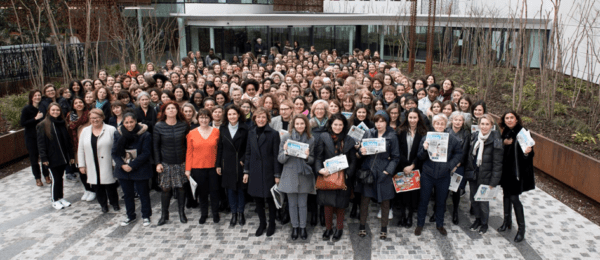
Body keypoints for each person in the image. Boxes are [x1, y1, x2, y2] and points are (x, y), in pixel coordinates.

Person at [414, 114, 463, 236]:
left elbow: (459, 154)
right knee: (423, 200)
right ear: (433, 124)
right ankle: (420, 224)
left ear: (446, 124)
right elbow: (420, 156)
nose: (440, 125)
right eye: (437, 123)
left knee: (441, 201)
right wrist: (424, 148)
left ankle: (440, 224)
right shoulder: (426, 137)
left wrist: (449, 165)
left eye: (442, 123)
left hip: (443, 175)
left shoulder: (452, 139)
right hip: (428, 174)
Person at [356, 111, 400, 240]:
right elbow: (360, 151)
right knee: (364, 201)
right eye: (377, 121)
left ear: (387, 121)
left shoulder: (392, 136)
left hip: (383, 172)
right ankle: (362, 225)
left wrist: (387, 171)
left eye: (382, 121)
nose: (379, 124)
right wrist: (360, 151)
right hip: (369, 171)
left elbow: (396, 157)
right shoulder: (369, 133)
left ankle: (384, 228)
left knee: (385, 202)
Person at [315, 113, 357, 242]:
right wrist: (319, 170)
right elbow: (318, 157)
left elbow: (353, 160)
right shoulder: (323, 137)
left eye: (340, 124)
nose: (338, 127)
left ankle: (339, 228)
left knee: (341, 205)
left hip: (343, 177)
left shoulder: (349, 139)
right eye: (335, 124)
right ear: (330, 125)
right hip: (327, 176)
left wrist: (348, 173)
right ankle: (328, 228)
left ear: (344, 125)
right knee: (327, 205)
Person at [243, 107, 282, 237]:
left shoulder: (274, 134)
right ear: (254, 118)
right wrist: (246, 171)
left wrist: (277, 175)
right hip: (254, 170)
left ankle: (272, 224)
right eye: (258, 117)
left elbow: (276, 155)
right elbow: (248, 153)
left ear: (267, 119)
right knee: (258, 200)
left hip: (268, 171)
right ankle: (262, 223)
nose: (261, 119)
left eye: (263, 117)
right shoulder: (251, 132)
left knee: (270, 200)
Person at [498, 111, 535, 242]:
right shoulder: (506, 131)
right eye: (506, 118)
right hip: (506, 171)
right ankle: (507, 221)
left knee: (514, 198)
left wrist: (527, 152)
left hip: (516, 173)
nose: (509, 120)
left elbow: (530, 153)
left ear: (516, 119)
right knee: (506, 196)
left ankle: (521, 229)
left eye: (511, 118)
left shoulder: (522, 132)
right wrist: (504, 143)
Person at [278, 114, 315, 240]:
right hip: (290, 175)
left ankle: (303, 227)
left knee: (303, 204)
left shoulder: (311, 139)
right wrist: (286, 152)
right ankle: (295, 227)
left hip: (304, 175)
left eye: (302, 123)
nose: (299, 126)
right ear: (293, 125)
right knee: (292, 204)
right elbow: (280, 159)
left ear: (306, 125)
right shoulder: (286, 138)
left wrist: (307, 157)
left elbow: (312, 160)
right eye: (297, 124)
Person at [112, 113, 153, 227]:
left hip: (140, 168)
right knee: (128, 194)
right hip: (123, 170)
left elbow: (146, 153)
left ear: (136, 121)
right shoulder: (118, 133)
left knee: (143, 194)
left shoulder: (145, 135)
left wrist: (132, 165)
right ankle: (130, 215)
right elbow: (114, 153)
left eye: (131, 122)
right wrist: (122, 165)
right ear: (123, 123)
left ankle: (146, 215)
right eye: (126, 122)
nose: (129, 125)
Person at [465, 114, 503, 234]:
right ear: (479, 125)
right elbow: (470, 155)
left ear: (492, 125)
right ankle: (477, 219)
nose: (484, 127)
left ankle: (484, 223)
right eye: (482, 124)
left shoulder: (495, 140)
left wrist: (493, 182)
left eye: (487, 124)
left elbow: (498, 163)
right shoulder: (475, 136)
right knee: (474, 199)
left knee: (483, 202)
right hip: (474, 174)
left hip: (486, 176)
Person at [154, 102, 191, 226]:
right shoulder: (159, 126)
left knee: (181, 188)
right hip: (166, 162)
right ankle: (164, 215)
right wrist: (158, 163)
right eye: (168, 109)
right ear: (164, 112)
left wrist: (188, 162)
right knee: (165, 189)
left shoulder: (184, 125)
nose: (171, 110)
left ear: (177, 110)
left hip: (181, 162)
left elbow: (188, 145)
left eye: (173, 108)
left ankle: (181, 212)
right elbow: (156, 146)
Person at [77, 109, 120, 213]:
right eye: (92, 118)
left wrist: (116, 163)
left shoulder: (111, 129)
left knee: (110, 185)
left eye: (97, 118)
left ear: (102, 118)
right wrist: (81, 165)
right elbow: (81, 149)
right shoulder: (85, 131)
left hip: (107, 162)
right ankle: (103, 205)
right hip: (92, 162)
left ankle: (114, 203)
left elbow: (116, 147)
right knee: (97, 185)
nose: (94, 120)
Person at [36, 102, 75, 209]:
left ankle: (60, 197)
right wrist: (44, 158)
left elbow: (67, 141)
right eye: (53, 110)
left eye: (57, 110)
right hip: (52, 158)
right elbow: (41, 144)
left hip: (62, 157)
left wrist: (71, 156)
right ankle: (54, 200)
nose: (55, 112)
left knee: (60, 178)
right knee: (56, 179)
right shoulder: (43, 125)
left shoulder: (62, 123)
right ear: (49, 111)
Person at [186, 109, 221, 224]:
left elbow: (220, 150)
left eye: (206, 117)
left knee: (215, 191)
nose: (204, 120)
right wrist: (187, 169)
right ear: (198, 119)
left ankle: (215, 213)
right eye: (201, 117)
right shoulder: (192, 133)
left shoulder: (216, 132)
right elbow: (189, 152)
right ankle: (204, 213)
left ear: (210, 119)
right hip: (197, 167)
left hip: (213, 167)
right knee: (202, 192)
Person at [216, 105, 249, 227]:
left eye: (234, 114)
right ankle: (233, 213)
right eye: (229, 114)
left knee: (240, 190)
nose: (232, 116)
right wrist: (218, 164)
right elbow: (220, 147)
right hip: (227, 164)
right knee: (230, 190)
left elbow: (248, 147)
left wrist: (243, 159)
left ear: (239, 115)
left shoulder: (245, 128)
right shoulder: (223, 128)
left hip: (240, 163)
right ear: (227, 116)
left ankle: (241, 213)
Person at [395, 108, 428, 228]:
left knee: (413, 194)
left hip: (416, 167)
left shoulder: (423, 132)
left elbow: (421, 152)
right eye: (410, 117)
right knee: (403, 192)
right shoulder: (400, 131)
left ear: (418, 118)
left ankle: (409, 217)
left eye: (415, 117)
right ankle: (402, 216)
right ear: (407, 118)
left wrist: (412, 166)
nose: (412, 120)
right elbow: (397, 150)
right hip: (402, 167)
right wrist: (405, 166)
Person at [445, 111, 471, 225]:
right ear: (451, 121)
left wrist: (456, 165)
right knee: (443, 189)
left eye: (460, 120)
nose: (458, 122)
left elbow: (464, 152)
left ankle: (455, 211)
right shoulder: (446, 131)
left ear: (463, 122)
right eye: (456, 120)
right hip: (445, 165)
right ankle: (439, 210)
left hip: (458, 166)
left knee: (456, 190)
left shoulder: (466, 133)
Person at [67, 97, 95, 201]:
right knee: (81, 169)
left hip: (89, 147)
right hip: (76, 148)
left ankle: (93, 190)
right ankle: (87, 189)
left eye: (80, 102)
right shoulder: (70, 117)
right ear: (73, 105)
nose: (78, 104)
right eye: (76, 103)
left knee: (90, 169)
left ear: (84, 104)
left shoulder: (89, 115)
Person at [21, 90, 50, 186]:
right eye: (35, 95)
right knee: (34, 158)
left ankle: (46, 175)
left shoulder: (42, 108)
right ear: (31, 97)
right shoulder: (27, 109)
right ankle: (37, 178)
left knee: (44, 156)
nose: (37, 97)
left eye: (39, 95)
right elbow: (23, 123)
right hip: (31, 137)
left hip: (42, 135)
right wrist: (35, 119)